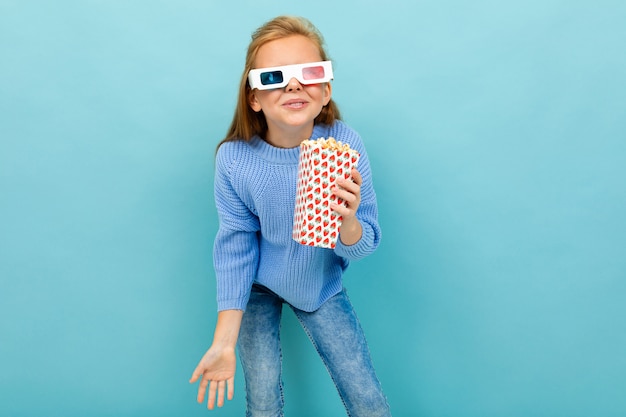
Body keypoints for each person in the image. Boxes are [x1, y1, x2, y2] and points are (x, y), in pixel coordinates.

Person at [189, 15, 391, 417]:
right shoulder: (235, 159)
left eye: (309, 73)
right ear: (254, 98)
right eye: (274, 77)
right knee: (263, 404)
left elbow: (364, 243)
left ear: (325, 91)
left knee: (367, 400)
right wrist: (224, 341)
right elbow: (236, 247)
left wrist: (347, 222)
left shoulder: (345, 145)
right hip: (259, 287)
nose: (294, 84)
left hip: (319, 283)